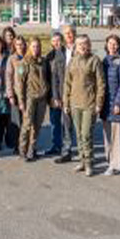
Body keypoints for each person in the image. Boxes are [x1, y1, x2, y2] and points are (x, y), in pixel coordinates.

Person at [63, 35, 105, 176]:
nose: (82, 46)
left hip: (89, 103)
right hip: (75, 103)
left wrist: (99, 103)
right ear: (76, 45)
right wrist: (66, 102)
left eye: (85, 43)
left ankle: (89, 163)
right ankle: (82, 160)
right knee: (79, 134)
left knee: (87, 134)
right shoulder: (73, 61)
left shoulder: (94, 61)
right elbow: (67, 84)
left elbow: (101, 84)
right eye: (79, 44)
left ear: (89, 45)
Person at [16, 37, 49, 162]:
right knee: (27, 125)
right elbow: (19, 84)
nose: (36, 49)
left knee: (37, 126)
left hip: (42, 98)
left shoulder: (43, 61)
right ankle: (22, 150)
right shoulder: (24, 63)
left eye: (38, 46)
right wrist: (21, 101)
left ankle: (32, 150)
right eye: (33, 46)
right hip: (29, 98)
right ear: (29, 48)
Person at [101, 34, 120, 176]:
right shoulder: (104, 60)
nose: (112, 46)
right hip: (105, 104)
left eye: (115, 43)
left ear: (119, 45)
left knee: (115, 136)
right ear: (106, 45)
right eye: (110, 43)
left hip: (116, 104)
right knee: (106, 134)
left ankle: (116, 165)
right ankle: (109, 160)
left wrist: (118, 102)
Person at [55, 24, 76, 164]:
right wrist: (56, 96)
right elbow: (55, 75)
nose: (68, 35)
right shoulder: (60, 51)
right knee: (66, 124)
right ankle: (66, 151)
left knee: (80, 125)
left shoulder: (80, 48)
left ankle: (86, 154)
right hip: (64, 93)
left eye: (70, 33)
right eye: (66, 33)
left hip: (78, 93)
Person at [45, 32, 66, 156]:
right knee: (54, 121)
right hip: (53, 94)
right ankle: (56, 145)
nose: (56, 43)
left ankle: (66, 146)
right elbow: (49, 77)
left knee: (67, 122)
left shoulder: (67, 54)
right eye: (54, 41)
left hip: (65, 93)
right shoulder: (49, 57)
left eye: (58, 40)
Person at [5, 35, 27, 154]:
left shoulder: (28, 57)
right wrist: (10, 95)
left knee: (27, 121)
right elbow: (8, 77)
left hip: (28, 95)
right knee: (16, 121)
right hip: (16, 94)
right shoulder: (12, 59)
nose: (20, 46)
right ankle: (17, 145)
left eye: (22, 44)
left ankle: (26, 144)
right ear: (14, 45)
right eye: (17, 44)